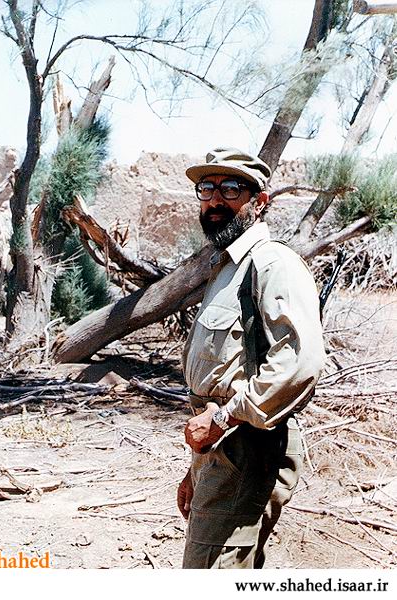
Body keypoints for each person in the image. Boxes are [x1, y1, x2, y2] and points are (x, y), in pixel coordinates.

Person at [177, 148, 325, 569]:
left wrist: (224, 419)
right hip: (221, 448)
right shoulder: (227, 266)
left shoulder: (273, 263)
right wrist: (196, 468)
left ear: (259, 202)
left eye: (230, 189)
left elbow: (299, 362)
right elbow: (222, 375)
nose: (215, 199)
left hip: (248, 445)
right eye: (206, 188)